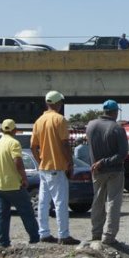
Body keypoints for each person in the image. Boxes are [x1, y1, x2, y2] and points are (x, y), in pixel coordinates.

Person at [31, 90, 80, 245]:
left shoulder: (39, 121)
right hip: (57, 167)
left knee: (43, 202)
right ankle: (63, 235)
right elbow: (65, 144)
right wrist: (70, 163)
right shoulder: (60, 120)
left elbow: (33, 146)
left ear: (47, 103)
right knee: (60, 202)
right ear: (58, 103)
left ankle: (44, 233)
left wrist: (39, 162)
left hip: (44, 168)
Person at [0, 119, 39, 248]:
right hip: (15, 185)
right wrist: (24, 178)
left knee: (2, 215)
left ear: (2, 130)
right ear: (14, 130)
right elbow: (18, 162)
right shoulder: (14, 143)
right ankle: (34, 238)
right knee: (27, 211)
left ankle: (3, 243)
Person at [86, 99, 128, 244]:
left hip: (96, 171)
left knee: (97, 201)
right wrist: (104, 162)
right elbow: (122, 154)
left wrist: (98, 163)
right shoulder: (117, 128)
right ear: (115, 112)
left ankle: (96, 233)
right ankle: (109, 236)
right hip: (114, 170)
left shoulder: (90, 125)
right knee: (113, 202)